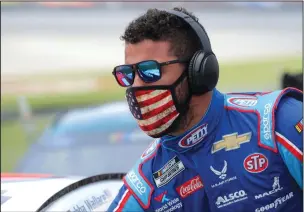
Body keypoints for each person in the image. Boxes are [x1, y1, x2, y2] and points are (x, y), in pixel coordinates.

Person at [108, 7, 303, 212]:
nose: (137, 86)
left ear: (198, 71)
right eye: (128, 74)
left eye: (150, 71)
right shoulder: (146, 183)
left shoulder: (277, 122)